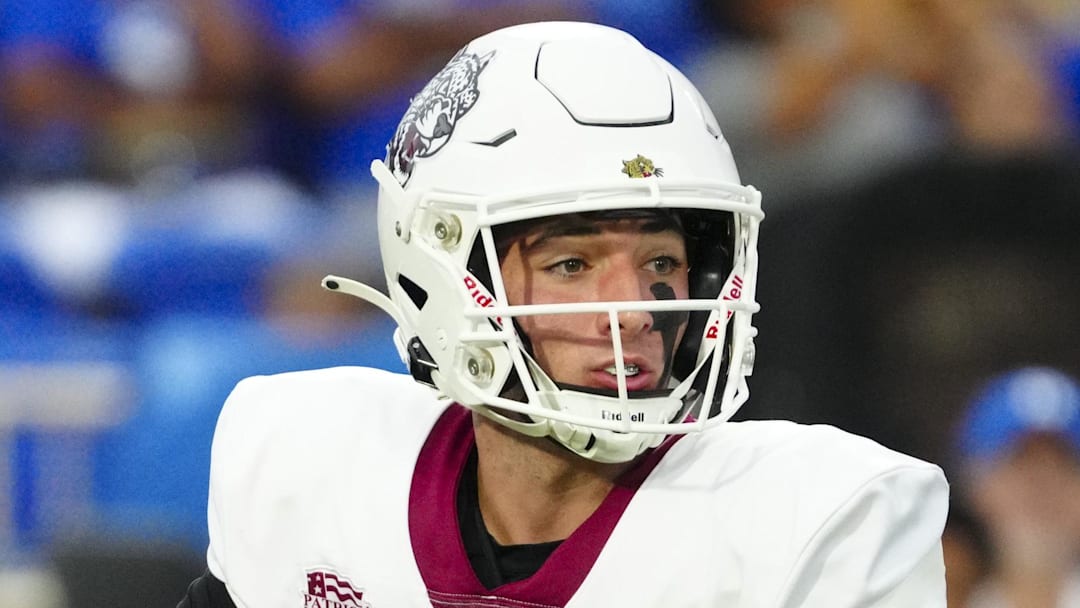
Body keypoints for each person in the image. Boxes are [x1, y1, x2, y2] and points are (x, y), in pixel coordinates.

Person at [177, 21, 948, 607]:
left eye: (663, 265)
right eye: (572, 264)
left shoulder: (823, 517)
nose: (640, 309)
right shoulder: (308, 461)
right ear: (442, 275)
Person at [955, 366, 1080, 607]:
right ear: (977, 487)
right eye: (1018, 464)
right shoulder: (939, 599)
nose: (1041, 486)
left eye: (1062, 466)